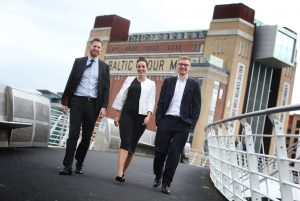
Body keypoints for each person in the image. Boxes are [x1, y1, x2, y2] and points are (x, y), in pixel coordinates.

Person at [59, 38, 110, 175]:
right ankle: (67, 165)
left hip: (93, 105)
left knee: (87, 137)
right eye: (95, 46)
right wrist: (65, 101)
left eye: (99, 47)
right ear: (90, 47)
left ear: (101, 49)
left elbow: (106, 89)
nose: (97, 49)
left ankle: (79, 161)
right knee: (73, 134)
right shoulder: (79, 62)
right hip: (77, 102)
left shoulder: (104, 67)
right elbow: (70, 81)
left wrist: (104, 106)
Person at [153, 56, 201, 194]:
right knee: (160, 151)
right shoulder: (168, 82)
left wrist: (191, 124)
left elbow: (197, 107)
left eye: (186, 65)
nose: (183, 67)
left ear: (189, 67)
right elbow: (161, 102)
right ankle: (158, 175)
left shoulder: (194, 85)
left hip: (183, 124)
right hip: (166, 121)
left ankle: (166, 183)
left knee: (174, 154)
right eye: (181, 64)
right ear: (177, 65)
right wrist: (159, 121)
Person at [112, 57, 156, 183]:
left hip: (141, 118)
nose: (141, 68)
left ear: (147, 68)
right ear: (136, 67)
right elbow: (121, 96)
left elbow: (151, 101)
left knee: (132, 145)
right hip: (127, 114)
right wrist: (117, 114)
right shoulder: (129, 79)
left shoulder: (151, 84)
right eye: (139, 66)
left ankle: (123, 172)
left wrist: (148, 115)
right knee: (125, 141)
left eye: (143, 66)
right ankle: (119, 172)